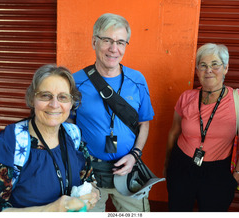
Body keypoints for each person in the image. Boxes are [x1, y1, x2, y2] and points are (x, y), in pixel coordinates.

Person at [0, 64, 99, 212]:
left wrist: (93, 193)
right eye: (45, 95)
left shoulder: (74, 136)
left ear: (71, 103)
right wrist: (51, 210)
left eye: (63, 97)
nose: (54, 104)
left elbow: (89, 179)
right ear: (32, 98)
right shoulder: (9, 144)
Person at [71, 13, 154, 212]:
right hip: (89, 173)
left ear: (126, 45)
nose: (113, 49)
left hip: (128, 171)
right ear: (94, 41)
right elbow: (66, 127)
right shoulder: (75, 81)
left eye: (120, 42)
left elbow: (144, 122)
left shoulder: (137, 79)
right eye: (107, 40)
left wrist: (135, 154)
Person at [164, 43, 239, 212]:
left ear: (226, 68)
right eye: (203, 65)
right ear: (197, 70)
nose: (208, 70)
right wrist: (168, 165)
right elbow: (173, 133)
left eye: (215, 65)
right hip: (182, 166)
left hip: (218, 172)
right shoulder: (186, 97)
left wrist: (238, 175)